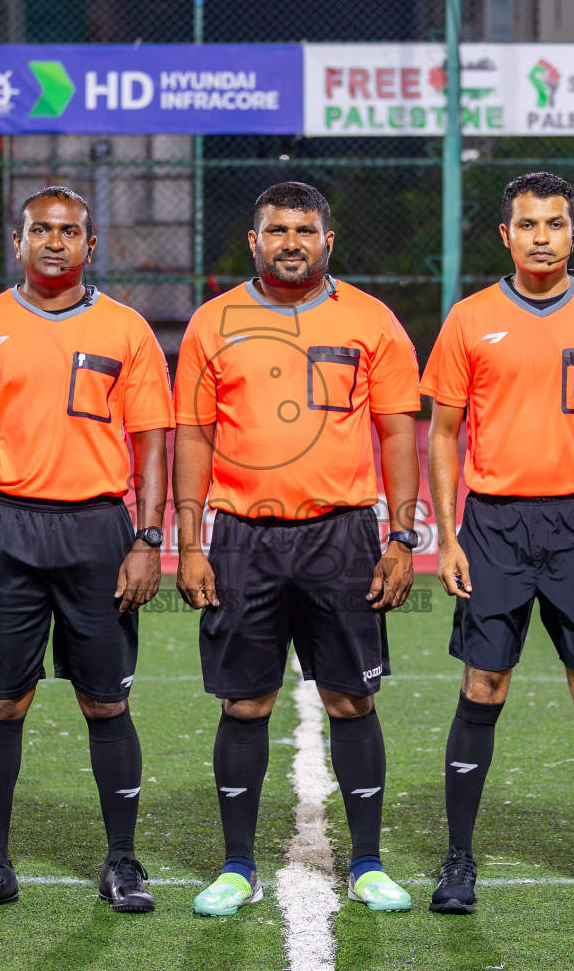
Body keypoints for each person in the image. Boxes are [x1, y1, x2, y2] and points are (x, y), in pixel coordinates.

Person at [174, 182, 422, 916]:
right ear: (254, 241)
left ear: (328, 241)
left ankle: (368, 864)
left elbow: (399, 431)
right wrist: (189, 542)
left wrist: (403, 536)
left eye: (305, 230)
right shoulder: (213, 323)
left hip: (341, 535)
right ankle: (237, 866)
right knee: (245, 701)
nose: (291, 242)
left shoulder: (371, 320)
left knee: (351, 697)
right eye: (277, 230)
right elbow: (193, 434)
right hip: (242, 537)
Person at [0, 186, 172, 917]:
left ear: (90, 246)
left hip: (99, 528)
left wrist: (148, 536)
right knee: (2, 701)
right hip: (6, 529)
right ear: (18, 241)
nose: (56, 242)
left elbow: (151, 442)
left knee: (106, 701)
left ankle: (123, 862)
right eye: (42, 230)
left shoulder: (127, 330)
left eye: (70, 232)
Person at [419, 172, 574, 918]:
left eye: (555, 223)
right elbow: (445, 434)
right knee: (483, 686)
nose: (542, 236)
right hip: (493, 526)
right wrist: (448, 534)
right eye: (528, 225)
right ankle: (459, 861)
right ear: (506, 235)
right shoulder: (469, 320)